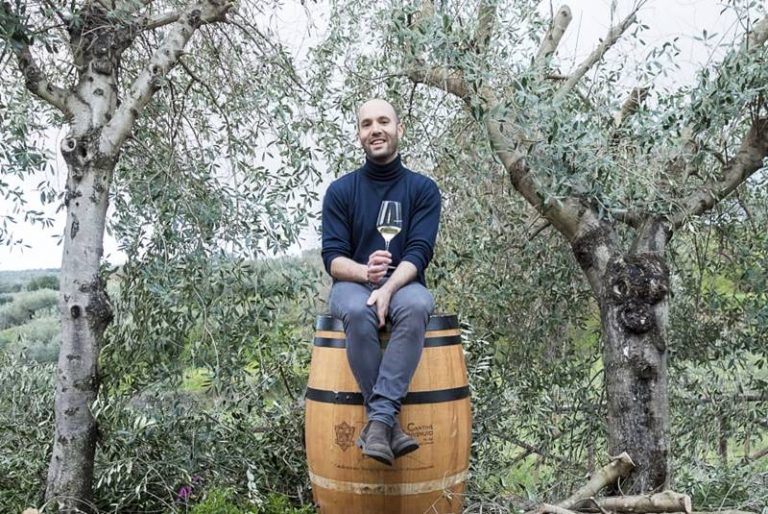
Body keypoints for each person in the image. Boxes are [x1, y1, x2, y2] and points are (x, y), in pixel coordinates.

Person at [321, 98, 441, 466]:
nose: (376, 129)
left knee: (419, 304)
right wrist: (365, 273)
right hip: (353, 284)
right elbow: (332, 257)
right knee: (359, 311)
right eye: (367, 124)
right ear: (359, 135)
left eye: (384, 121)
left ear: (399, 129)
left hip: (404, 284)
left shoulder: (422, 189)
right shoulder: (341, 191)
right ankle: (386, 424)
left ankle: (377, 421)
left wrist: (387, 287)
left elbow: (420, 251)